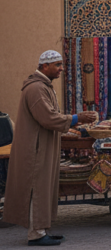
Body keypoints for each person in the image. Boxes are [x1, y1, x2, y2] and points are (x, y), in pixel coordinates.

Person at [4, 50, 99, 246]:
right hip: (35, 149)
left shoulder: (43, 86)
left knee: (43, 188)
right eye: (57, 65)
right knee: (38, 189)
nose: (61, 69)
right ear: (44, 66)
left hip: (41, 146)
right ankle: (36, 234)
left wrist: (73, 121)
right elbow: (48, 118)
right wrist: (76, 118)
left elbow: (51, 116)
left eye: (61, 65)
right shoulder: (36, 88)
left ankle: (41, 229)